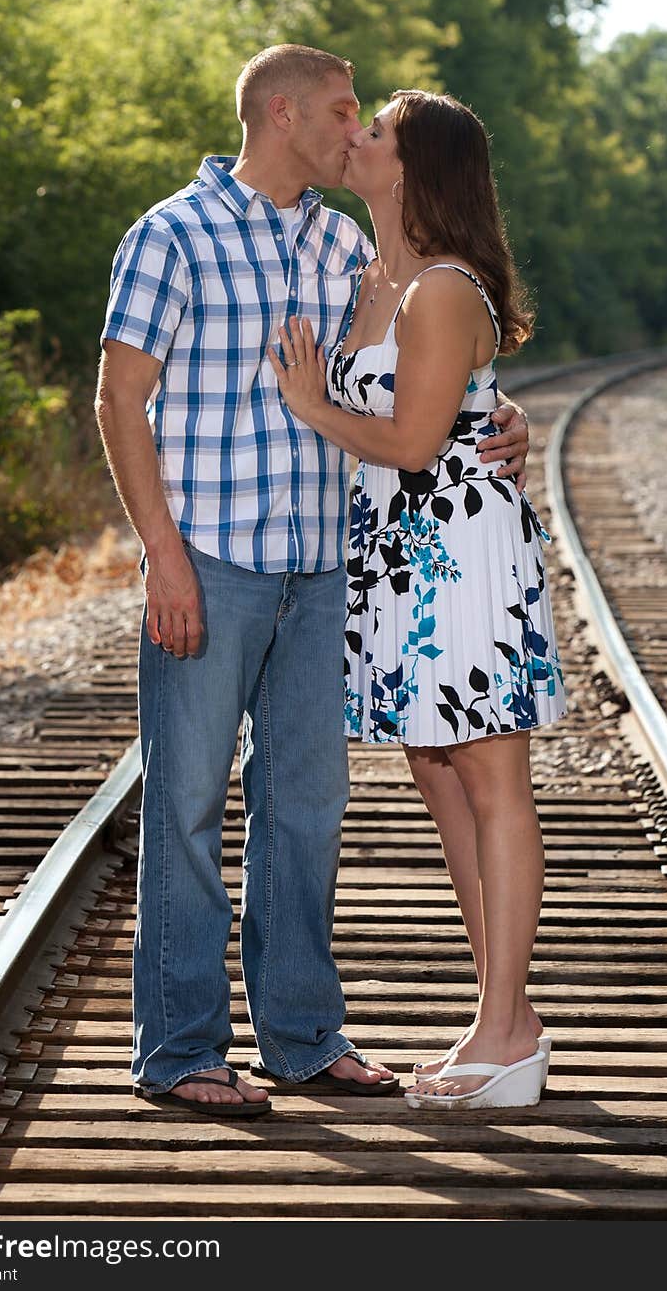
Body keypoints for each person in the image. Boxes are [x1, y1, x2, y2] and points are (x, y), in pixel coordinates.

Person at [95, 47, 531, 1117]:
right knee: (189, 805)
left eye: (363, 118)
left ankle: (300, 1035)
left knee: (306, 809)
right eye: (342, 111)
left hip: (327, 571)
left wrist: (502, 415)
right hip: (209, 558)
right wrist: (161, 555)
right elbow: (117, 401)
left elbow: (426, 359)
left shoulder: (345, 244)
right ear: (281, 114)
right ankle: (183, 1047)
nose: (353, 129)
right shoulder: (170, 235)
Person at [269, 88, 566, 1111]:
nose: (357, 138)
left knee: (489, 782)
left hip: (459, 554)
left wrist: (310, 405)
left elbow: (410, 440)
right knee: (438, 780)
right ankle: (504, 1018)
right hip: (395, 560)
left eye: (377, 129)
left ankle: (505, 1031)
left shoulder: (440, 286)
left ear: (416, 166)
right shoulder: (369, 273)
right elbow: (439, 409)